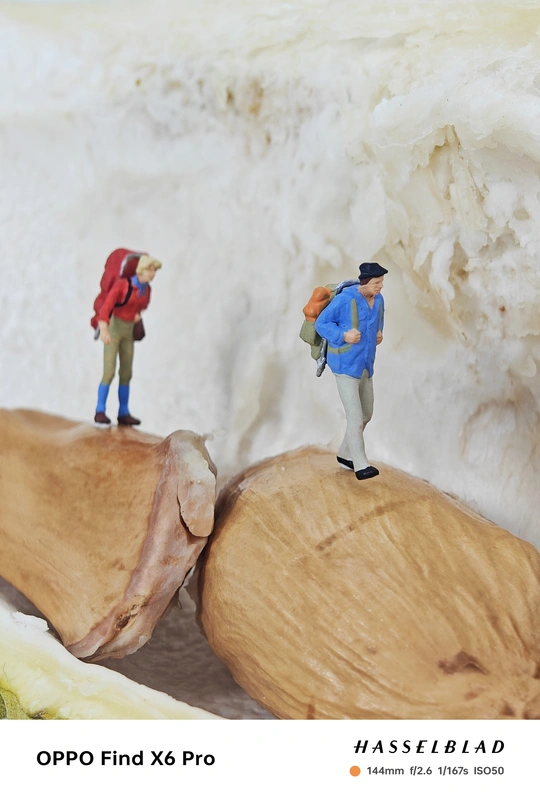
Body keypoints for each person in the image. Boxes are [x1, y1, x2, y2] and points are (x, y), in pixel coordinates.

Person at [315, 262, 387, 480]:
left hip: (366, 364)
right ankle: (361, 464)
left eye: (381, 282)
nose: (380, 286)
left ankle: (345, 454)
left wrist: (379, 332)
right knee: (355, 417)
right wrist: (344, 335)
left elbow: (379, 318)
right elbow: (322, 323)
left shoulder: (379, 300)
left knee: (366, 414)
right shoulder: (345, 300)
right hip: (345, 365)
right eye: (377, 283)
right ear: (365, 282)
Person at [94, 254, 162, 425]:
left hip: (128, 332)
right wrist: (103, 328)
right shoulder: (122, 285)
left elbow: (143, 305)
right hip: (114, 329)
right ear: (141, 270)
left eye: (154, 270)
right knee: (109, 371)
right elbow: (106, 307)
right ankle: (100, 410)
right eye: (150, 270)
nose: (152, 273)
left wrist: (137, 314)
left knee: (126, 373)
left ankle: (123, 411)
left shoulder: (147, 290)